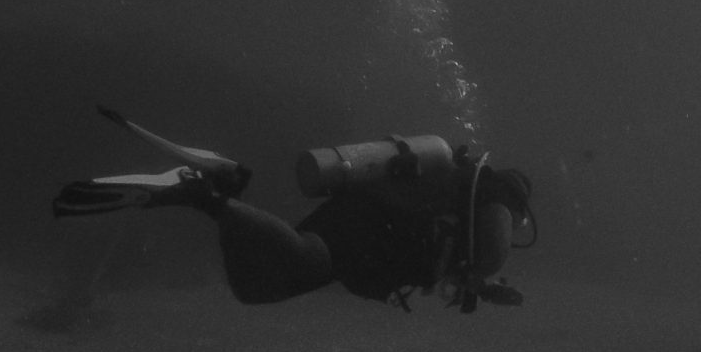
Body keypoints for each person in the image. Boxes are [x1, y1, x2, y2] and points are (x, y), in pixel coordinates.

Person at [50, 111, 534, 312]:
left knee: (255, 289)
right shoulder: (496, 203)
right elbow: (482, 259)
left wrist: (485, 291)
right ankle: (208, 194)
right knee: (303, 259)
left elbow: (463, 263)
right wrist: (486, 280)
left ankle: (220, 192)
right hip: (368, 232)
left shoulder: (463, 195)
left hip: (362, 224)